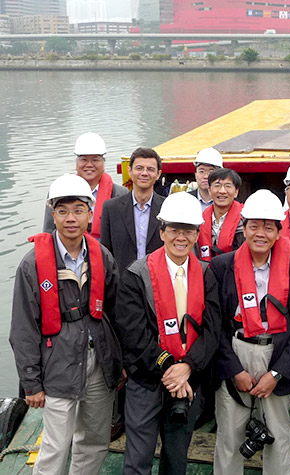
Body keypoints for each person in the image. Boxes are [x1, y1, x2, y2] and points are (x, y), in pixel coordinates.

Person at [10, 173, 122, 475]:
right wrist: (31, 382)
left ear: (90, 212)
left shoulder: (102, 257)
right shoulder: (32, 264)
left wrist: (117, 361)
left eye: (77, 210)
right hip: (57, 363)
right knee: (56, 446)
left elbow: (116, 312)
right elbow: (23, 329)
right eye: (62, 211)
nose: (71, 218)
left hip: (99, 361)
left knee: (95, 441)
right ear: (53, 214)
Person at [114, 192, 220, 475]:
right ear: (161, 232)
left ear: (197, 235)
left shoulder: (206, 274)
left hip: (188, 382)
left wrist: (188, 367)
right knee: (138, 459)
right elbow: (133, 334)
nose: (180, 238)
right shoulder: (136, 275)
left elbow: (211, 330)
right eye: (174, 230)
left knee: (176, 460)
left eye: (188, 231)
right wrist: (171, 368)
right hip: (146, 381)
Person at [206, 189, 290, 475]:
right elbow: (217, 325)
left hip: (277, 355)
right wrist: (233, 370)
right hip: (236, 351)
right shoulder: (221, 266)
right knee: (229, 433)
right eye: (254, 225)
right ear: (244, 228)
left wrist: (276, 374)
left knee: (278, 433)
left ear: (279, 231)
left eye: (268, 226)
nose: (260, 233)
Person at [43, 132, 127, 237]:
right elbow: (49, 231)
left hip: (106, 251)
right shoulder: (58, 191)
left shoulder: (120, 193)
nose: (89, 165)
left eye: (95, 160)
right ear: (76, 163)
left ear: (103, 163)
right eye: (84, 160)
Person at [100, 147, 165, 276]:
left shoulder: (168, 207)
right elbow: (106, 252)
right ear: (130, 171)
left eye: (150, 169)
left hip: (158, 280)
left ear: (158, 174)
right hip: (123, 283)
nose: (144, 173)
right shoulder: (111, 208)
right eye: (139, 168)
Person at [197, 167, 244, 261]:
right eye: (217, 185)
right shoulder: (199, 219)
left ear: (236, 192)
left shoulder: (245, 221)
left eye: (228, 186)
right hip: (207, 270)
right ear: (209, 190)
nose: (222, 191)